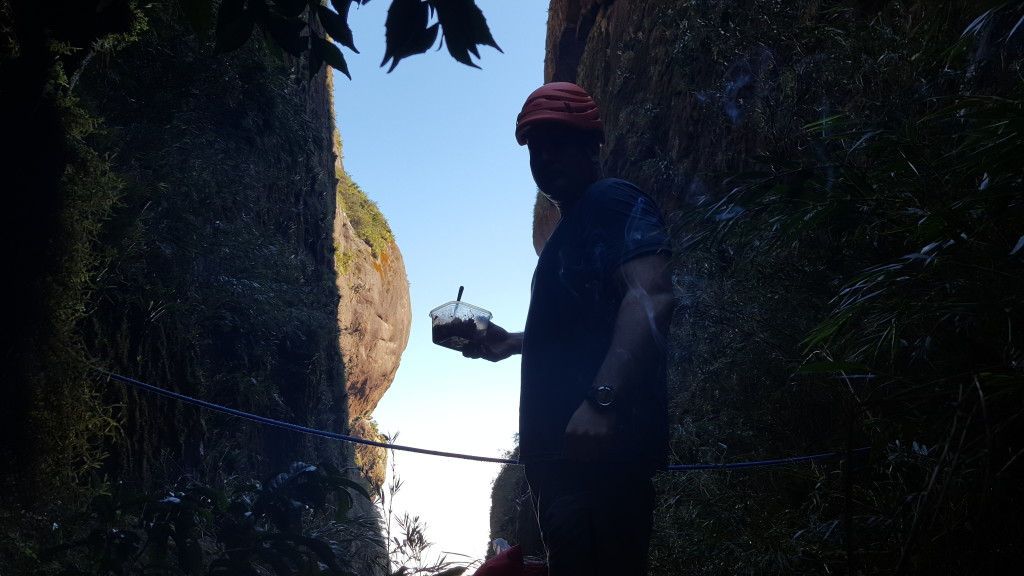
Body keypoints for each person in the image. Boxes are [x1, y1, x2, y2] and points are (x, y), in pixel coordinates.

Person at [463, 82, 674, 576]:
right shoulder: (572, 228)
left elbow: (652, 294)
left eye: (560, 142)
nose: (546, 157)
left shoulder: (611, 199)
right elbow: (583, 327)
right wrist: (511, 342)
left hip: (598, 460)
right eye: (536, 147)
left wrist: (603, 401)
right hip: (563, 464)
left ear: (592, 146)